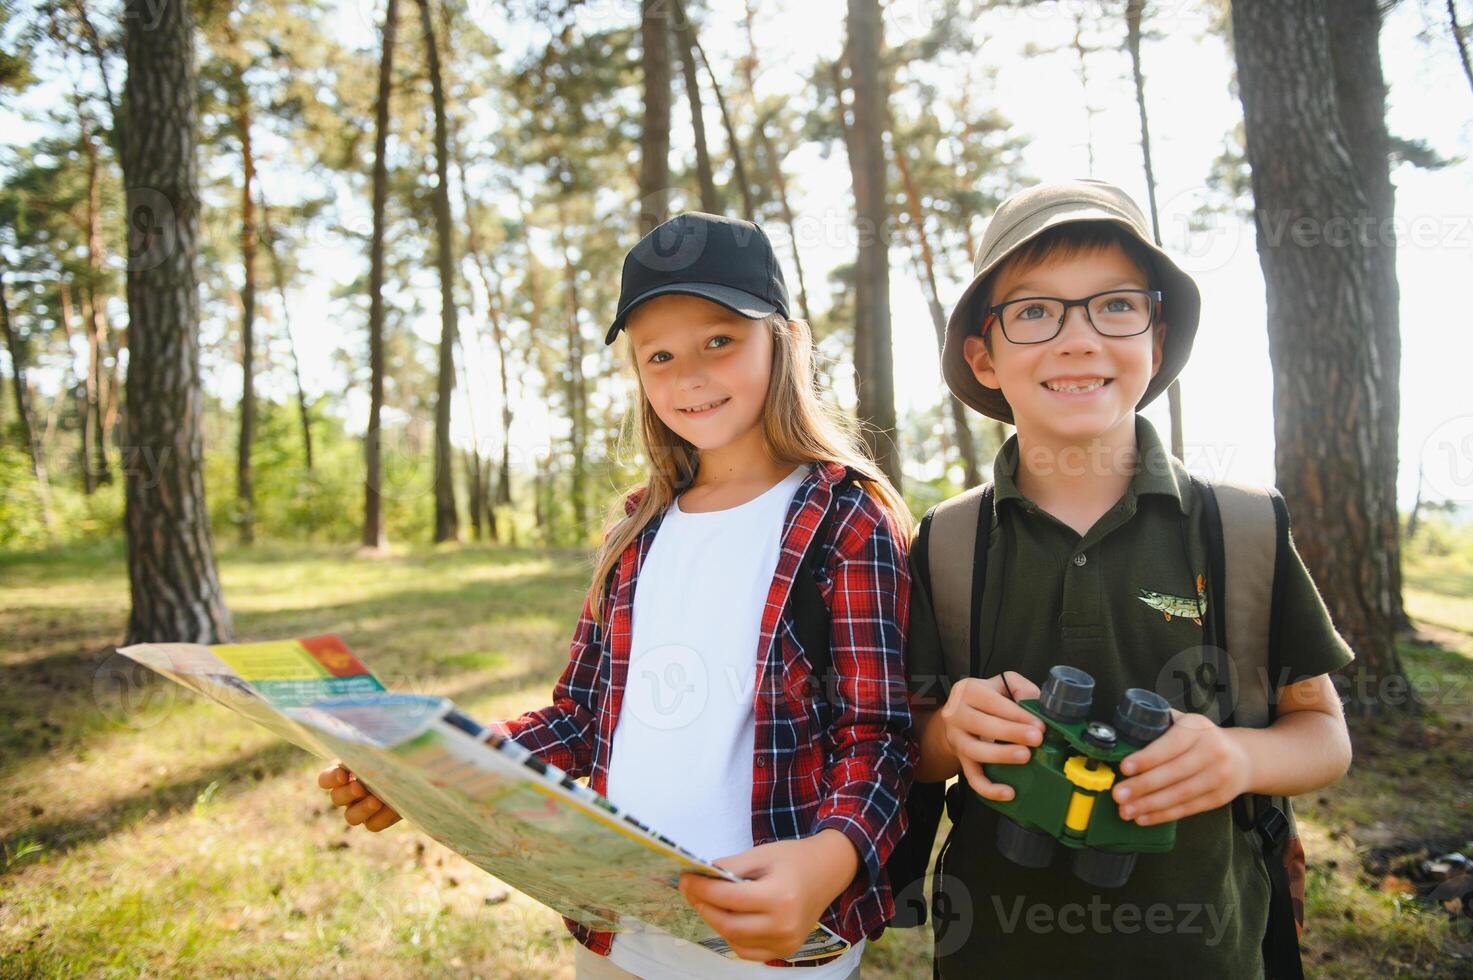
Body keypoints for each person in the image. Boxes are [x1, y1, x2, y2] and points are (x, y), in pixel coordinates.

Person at [320, 212, 917, 979]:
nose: (689, 377)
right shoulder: (638, 526)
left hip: (766, 943)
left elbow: (880, 736)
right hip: (615, 929)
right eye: (658, 355)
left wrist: (827, 863)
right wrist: (431, 771)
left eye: (719, 341)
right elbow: (578, 718)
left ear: (786, 342)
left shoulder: (845, 515)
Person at [905, 179, 1354, 977]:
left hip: (1201, 951)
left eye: (1113, 306)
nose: (1077, 340)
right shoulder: (947, 539)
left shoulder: (1242, 527)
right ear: (983, 353)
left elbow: (1322, 733)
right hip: (993, 952)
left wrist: (1238, 759)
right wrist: (953, 730)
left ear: (1156, 334)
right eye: (1034, 311)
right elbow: (911, 746)